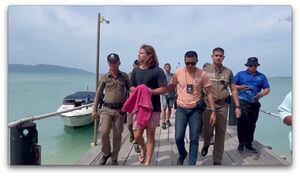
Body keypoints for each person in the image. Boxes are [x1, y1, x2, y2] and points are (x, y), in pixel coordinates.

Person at [167, 51, 217, 165]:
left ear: (197, 61)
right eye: (188, 63)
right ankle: (183, 153)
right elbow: (171, 86)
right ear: (184, 61)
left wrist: (213, 111)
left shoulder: (202, 74)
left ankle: (192, 163)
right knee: (178, 137)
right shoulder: (178, 73)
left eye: (193, 63)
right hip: (181, 109)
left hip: (195, 110)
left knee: (194, 139)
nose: (190, 65)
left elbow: (209, 93)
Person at [201, 47, 241, 165]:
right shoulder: (205, 72)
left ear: (223, 57)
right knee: (207, 131)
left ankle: (217, 160)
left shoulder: (228, 72)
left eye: (221, 56)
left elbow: (233, 89)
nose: (218, 57)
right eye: (216, 55)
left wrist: (237, 107)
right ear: (212, 56)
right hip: (208, 106)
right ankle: (206, 143)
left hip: (223, 106)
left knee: (221, 133)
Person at [130, 44, 168, 165]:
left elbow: (164, 88)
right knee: (137, 135)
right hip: (139, 108)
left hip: (154, 107)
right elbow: (131, 86)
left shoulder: (158, 71)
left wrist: (149, 91)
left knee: (150, 134)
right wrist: (137, 90)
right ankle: (144, 148)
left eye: (141, 53)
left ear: (149, 55)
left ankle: (148, 163)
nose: (138, 55)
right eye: (139, 53)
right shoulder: (135, 70)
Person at [92, 53, 130, 165]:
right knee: (103, 132)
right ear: (108, 63)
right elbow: (98, 94)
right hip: (106, 109)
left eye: (115, 62)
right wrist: (94, 109)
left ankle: (114, 157)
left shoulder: (125, 76)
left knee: (117, 135)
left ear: (119, 63)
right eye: (110, 62)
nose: (112, 64)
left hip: (120, 110)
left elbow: (131, 90)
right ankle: (106, 153)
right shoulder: (104, 77)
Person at [235, 57, 270, 153]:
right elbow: (232, 86)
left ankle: (249, 144)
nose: (253, 67)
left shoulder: (262, 76)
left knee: (252, 125)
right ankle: (241, 143)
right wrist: (240, 87)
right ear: (247, 66)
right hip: (242, 103)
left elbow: (267, 89)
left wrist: (261, 94)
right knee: (242, 123)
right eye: (251, 65)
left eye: (255, 66)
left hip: (254, 104)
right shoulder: (240, 74)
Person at [127, 59, 141, 153]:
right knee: (129, 124)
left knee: (138, 124)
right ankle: (132, 134)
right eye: (135, 66)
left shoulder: (142, 75)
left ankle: (136, 141)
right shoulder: (129, 75)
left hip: (139, 103)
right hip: (130, 102)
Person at [161, 63, 176, 129]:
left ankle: (167, 120)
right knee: (164, 107)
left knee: (170, 107)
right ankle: (163, 122)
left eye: (169, 67)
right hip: (164, 94)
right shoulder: (162, 76)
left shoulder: (173, 75)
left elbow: (175, 84)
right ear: (164, 68)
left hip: (171, 94)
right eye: (167, 67)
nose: (168, 68)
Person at [199, 62, 211, 141]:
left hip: (210, 100)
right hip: (201, 99)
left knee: (210, 118)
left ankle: (210, 135)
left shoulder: (212, 78)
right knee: (200, 118)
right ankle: (200, 134)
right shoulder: (199, 76)